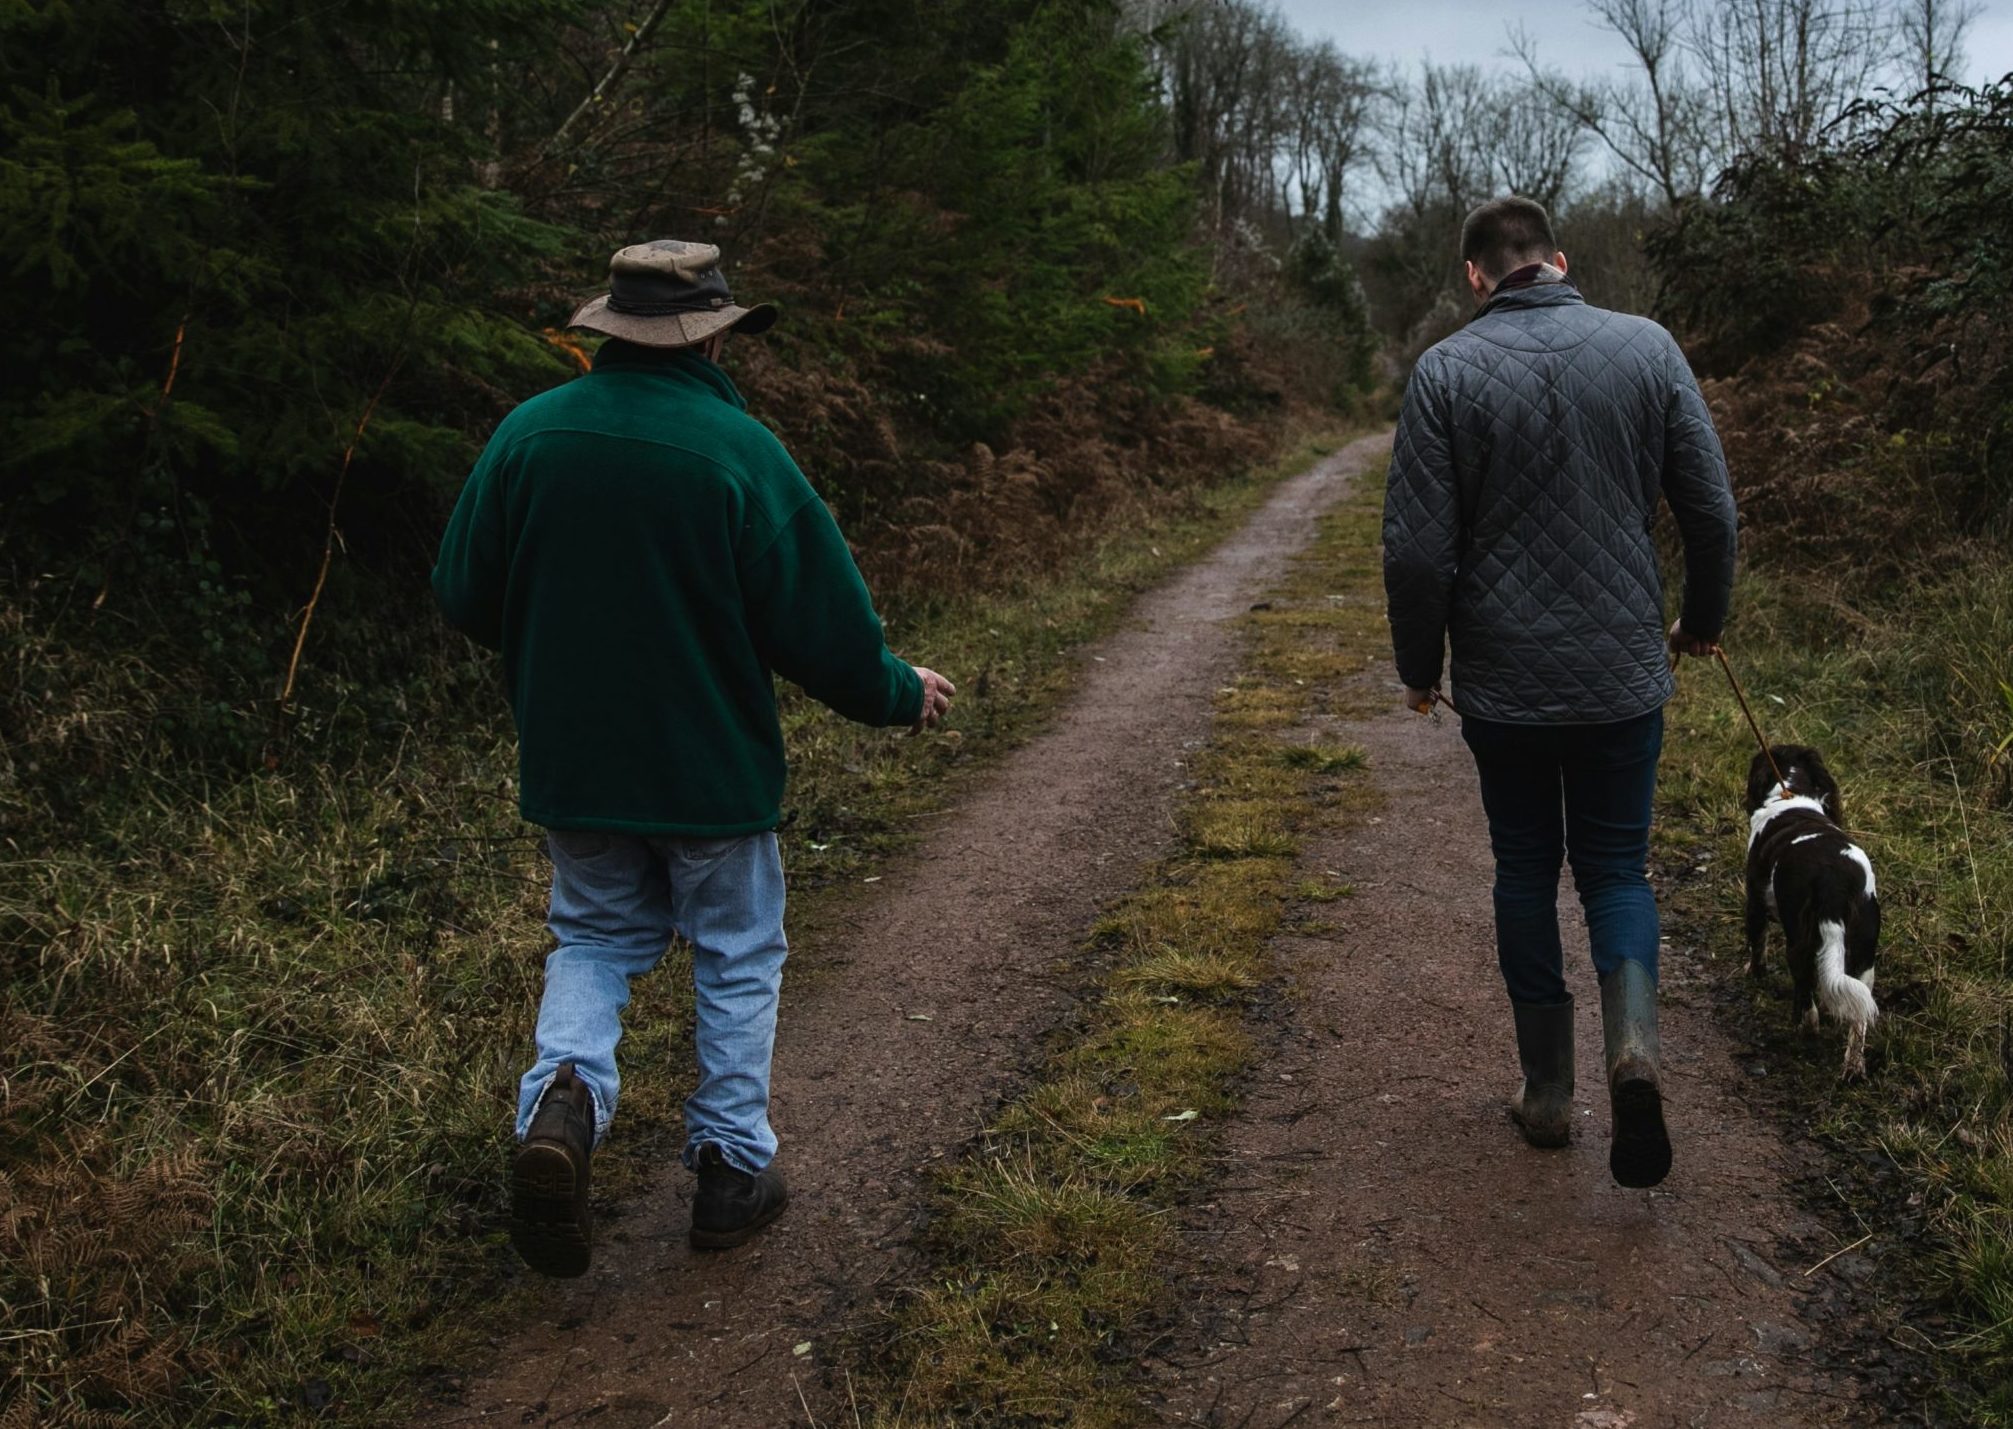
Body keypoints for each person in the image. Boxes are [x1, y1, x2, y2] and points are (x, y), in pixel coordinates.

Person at [432, 239, 954, 1276]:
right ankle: (728, 1171)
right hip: (711, 772)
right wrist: (900, 692)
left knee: (591, 937)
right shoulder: (738, 450)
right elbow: (822, 626)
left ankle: (564, 1104)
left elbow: (463, 591)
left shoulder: (527, 436)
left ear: (609, 329)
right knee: (735, 952)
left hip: (576, 762)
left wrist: (559, 655)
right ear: (713, 331)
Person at [1382, 196, 1736, 1190]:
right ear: (1561, 261)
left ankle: (1547, 1095)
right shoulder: (1648, 347)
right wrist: (1703, 620)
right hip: (1624, 673)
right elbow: (1710, 511)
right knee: (1618, 873)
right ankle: (1634, 1053)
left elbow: (1416, 555)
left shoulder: (1447, 373)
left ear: (1475, 276)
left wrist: (1421, 668)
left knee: (1525, 872)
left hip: (1505, 688)